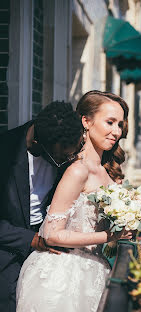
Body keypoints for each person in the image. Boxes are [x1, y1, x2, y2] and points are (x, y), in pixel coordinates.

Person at [16, 90, 132, 312]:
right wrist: (109, 236)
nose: (116, 131)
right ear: (86, 121)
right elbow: (51, 234)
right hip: (60, 279)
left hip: (95, 274)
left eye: (120, 124)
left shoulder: (108, 172)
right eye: (110, 122)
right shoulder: (77, 170)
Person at [0, 101, 83, 312]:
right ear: (37, 143)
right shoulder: (4, 152)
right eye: (62, 157)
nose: (68, 161)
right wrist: (32, 240)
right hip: (9, 249)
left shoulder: (66, 147)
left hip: (53, 245)